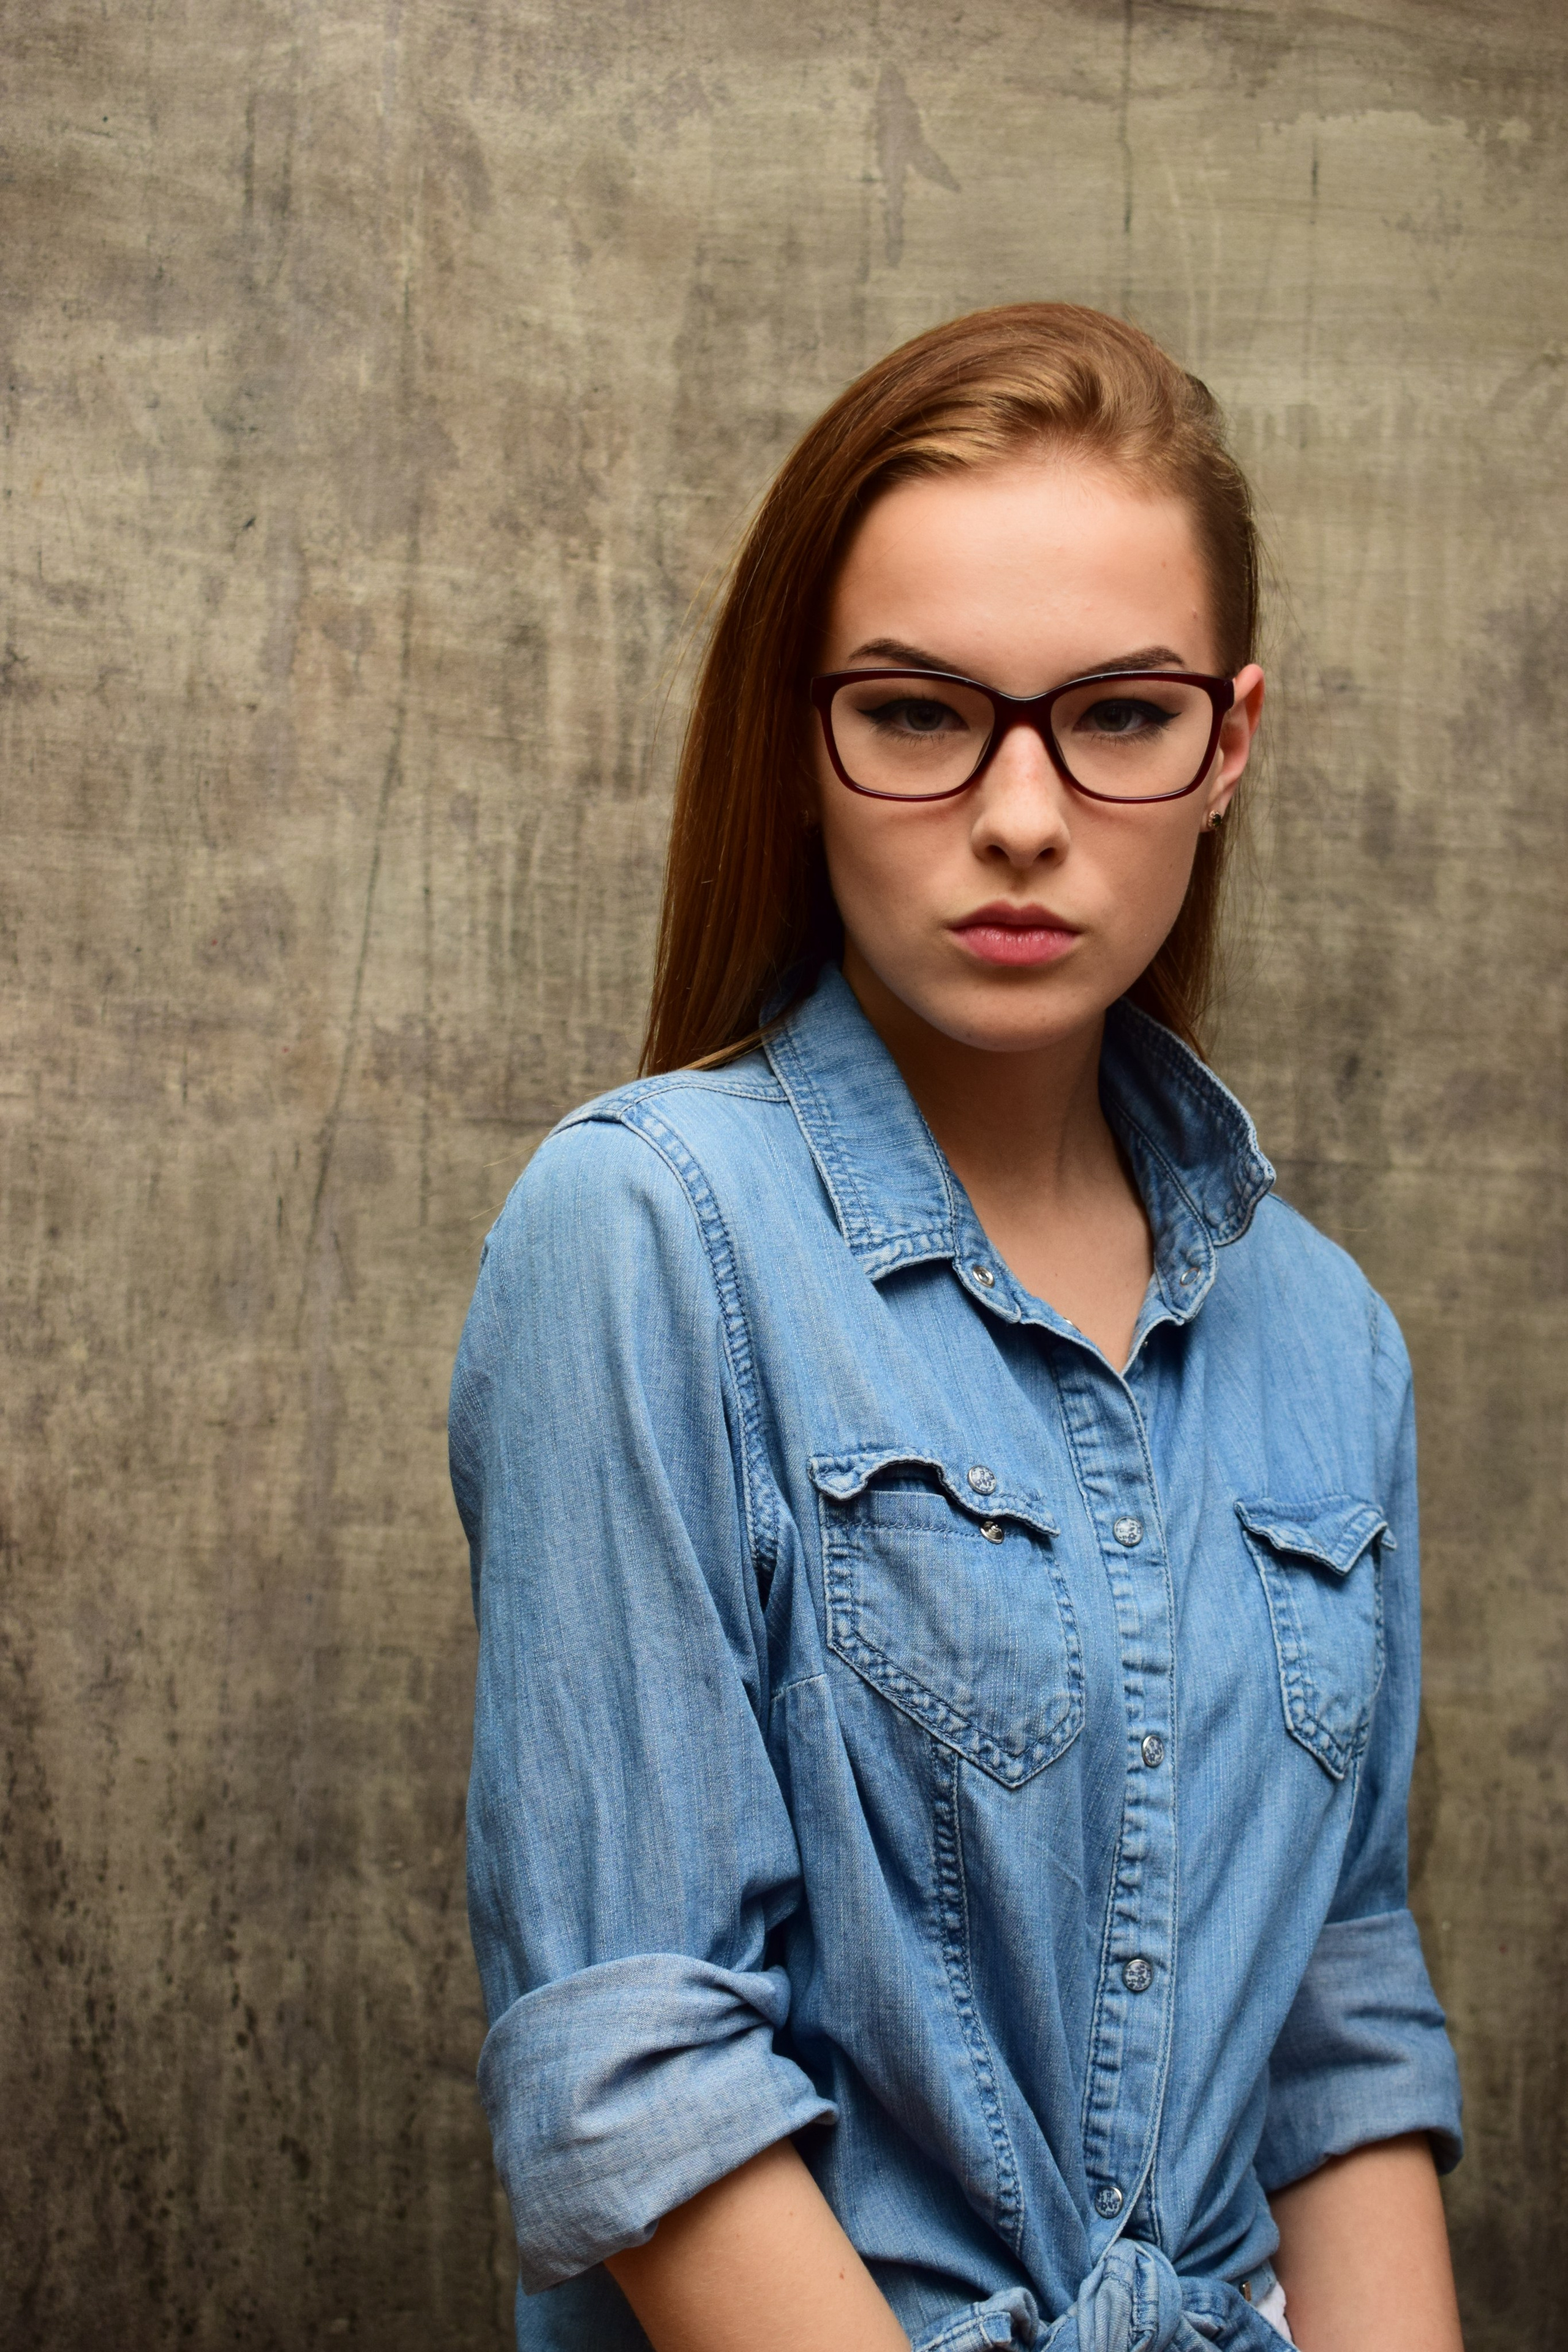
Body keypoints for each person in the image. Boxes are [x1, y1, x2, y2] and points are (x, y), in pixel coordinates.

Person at [450, 304, 1465, 2352]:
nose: (1022, 813)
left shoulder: (1332, 1341)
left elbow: (1340, 2038)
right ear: (801, 735)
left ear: (1228, 742)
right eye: (920, 714)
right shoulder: (648, 1232)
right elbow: (644, 2078)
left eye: (1117, 714)